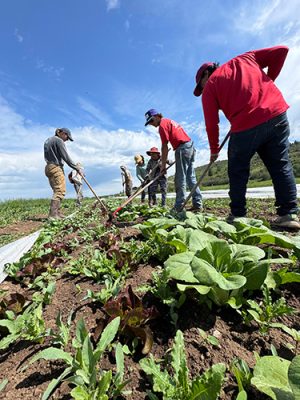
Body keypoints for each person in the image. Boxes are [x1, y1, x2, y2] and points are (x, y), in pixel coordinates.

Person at [193, 45, 299, 229]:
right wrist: (266, 85)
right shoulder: (245, 58)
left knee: (237, 169)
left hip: (245, 125)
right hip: (276, 114)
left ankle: (238, 214)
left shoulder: (211, 85)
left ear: (205, 76)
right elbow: (281, 50)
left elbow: (211, 124)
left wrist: (214, 150)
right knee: (280, 164)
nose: (202, 90)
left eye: (200, 86)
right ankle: (289, 214)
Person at [144, 109, 202, 212]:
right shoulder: (168, 121)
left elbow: (164, 147)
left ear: (157, 116)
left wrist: (163, 166)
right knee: (190, 177)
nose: (152, 124)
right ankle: (197, 204)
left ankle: (179, 206)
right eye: (149, 123)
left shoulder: (162, 126)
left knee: (180, 178)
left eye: (152, 121)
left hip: (182, 148)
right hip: (190, 146)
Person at [44, 127, 83, 219]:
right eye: (67, 138)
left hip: (49, 167)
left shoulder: (48, 140)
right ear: (63, 133)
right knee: (60, 191)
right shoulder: (58, 140)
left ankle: (57, 212)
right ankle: (53, 215)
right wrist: (77, 168)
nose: (66, 140)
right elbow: (66, 156)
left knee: (56, 190)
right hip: (56, 167)